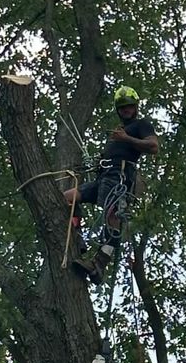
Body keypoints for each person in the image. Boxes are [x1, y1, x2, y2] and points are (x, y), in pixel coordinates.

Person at [64, 86, 159, 282]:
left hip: (121, 176)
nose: (126, 110)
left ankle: (100, 262)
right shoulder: (119, 132)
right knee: (67, 198)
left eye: (129, 107)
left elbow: (153, 146)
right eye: (122, 108)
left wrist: (126, 138)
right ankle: (77, 238)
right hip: (104, 176)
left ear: (136, 107)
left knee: (112, 214)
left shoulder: (141, 125)